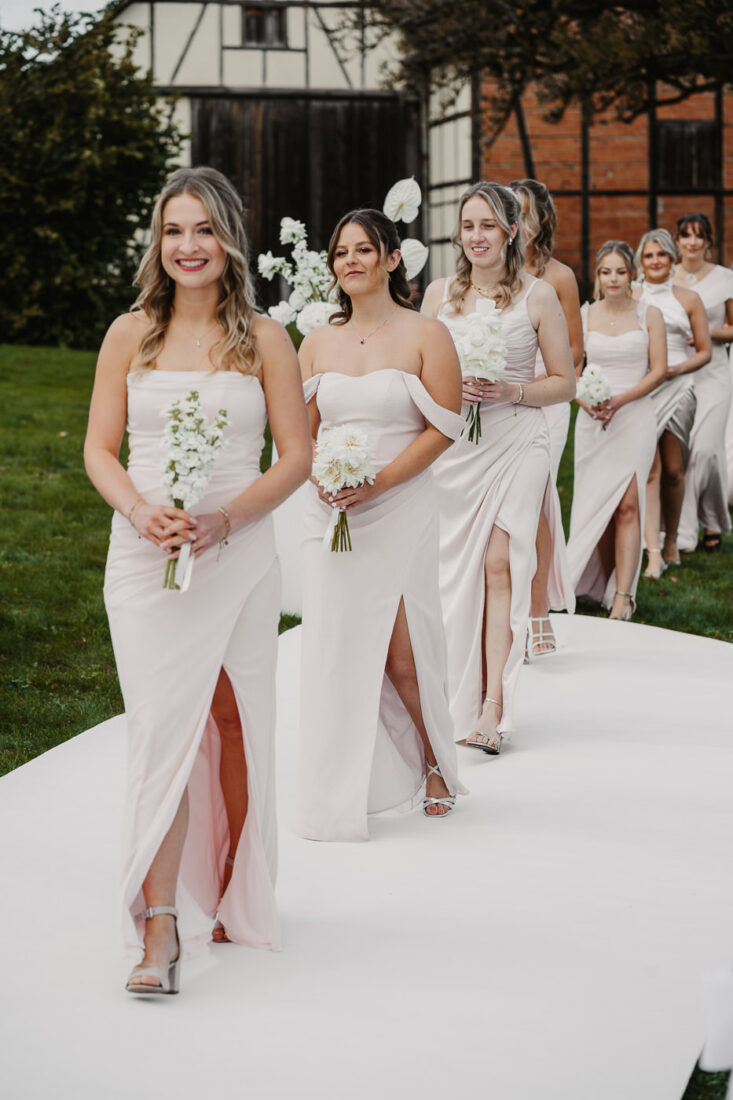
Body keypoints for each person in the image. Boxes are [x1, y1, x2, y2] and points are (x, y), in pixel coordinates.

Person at [84, 166, 311, 994]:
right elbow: (98, 450)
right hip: (144, 558)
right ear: (159, 241)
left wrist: (226, 520)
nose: (189, 247)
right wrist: (143, 513)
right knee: (161, 731)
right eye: (174, 231)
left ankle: (229, 884)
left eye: (203, 230)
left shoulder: (265, 338)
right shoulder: (127, 335)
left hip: (237, 554)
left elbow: (296, 457)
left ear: (228, 240)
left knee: (234, 720)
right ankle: (159, 925)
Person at [297, 208, 466, 841]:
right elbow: (298, 433)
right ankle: (340, 782)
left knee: (399, 654)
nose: (351, 261)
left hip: (399, 504)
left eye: (365, 249)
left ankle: (433, 760)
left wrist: (380, 482)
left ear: (393, 259)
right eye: (341, 252)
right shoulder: (316, 341)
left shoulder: (427, 334)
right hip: (329, 509)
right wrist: (321, 478)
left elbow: (446, 426)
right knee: (337, 647)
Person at [421, 181, 575, 755]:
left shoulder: (538, 296)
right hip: (459, 449)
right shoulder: (439, 295)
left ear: (512, 230)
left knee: (499, 564)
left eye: (488, 225)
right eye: (468, 226)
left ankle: (494, 707)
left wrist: (509, 389)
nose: (476, 236)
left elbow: (564, 383)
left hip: (518, 440)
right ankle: (455, 691)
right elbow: (419, 372)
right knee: (453, 574)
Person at [567, 242, 666, 619]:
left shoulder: (649, 314)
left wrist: (620, 401)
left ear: (632, 275)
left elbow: (658, 370)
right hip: (593, 421)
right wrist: (584, 402)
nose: (613, 279)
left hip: (634, 416)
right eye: (606, 272)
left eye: (620, 271)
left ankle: (623, 596)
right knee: (600, 507)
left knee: (627, 505)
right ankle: (598, 582)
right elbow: (572, 372)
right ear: (597, 276)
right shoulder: (585, 314)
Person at [510, 179, 583, 657]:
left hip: (548, 401)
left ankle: (538, 612)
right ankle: (502, 608)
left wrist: (542, 388)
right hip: (498, 400)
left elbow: (575, 351)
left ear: (538, 221)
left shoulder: (559, 277)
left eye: (520, 213)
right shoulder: (492, 274)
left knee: (536, 501)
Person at [632, 229, 711, 575]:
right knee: (651, 471)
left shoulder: (689, 298)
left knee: (674, 471)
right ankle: (652, 551)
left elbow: (706, 351)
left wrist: (676, 368)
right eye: (648, 256)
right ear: (641, 261)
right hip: (644, 388)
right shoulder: (633, 295)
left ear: (671, 257)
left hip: (679, 386)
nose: (655, 261)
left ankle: (671, 538)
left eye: (661, 254)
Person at [672, 212, 733, 552]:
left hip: (714, 374)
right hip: (679, 374)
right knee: (682, 453)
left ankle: (711, 518)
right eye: (686, 235)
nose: (693, 242)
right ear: (677, 241)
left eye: (699, 236)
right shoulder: (666, 276)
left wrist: (705, 333)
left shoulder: (725, 279)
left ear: (709, 242)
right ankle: (689, 529)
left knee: (708, 451)